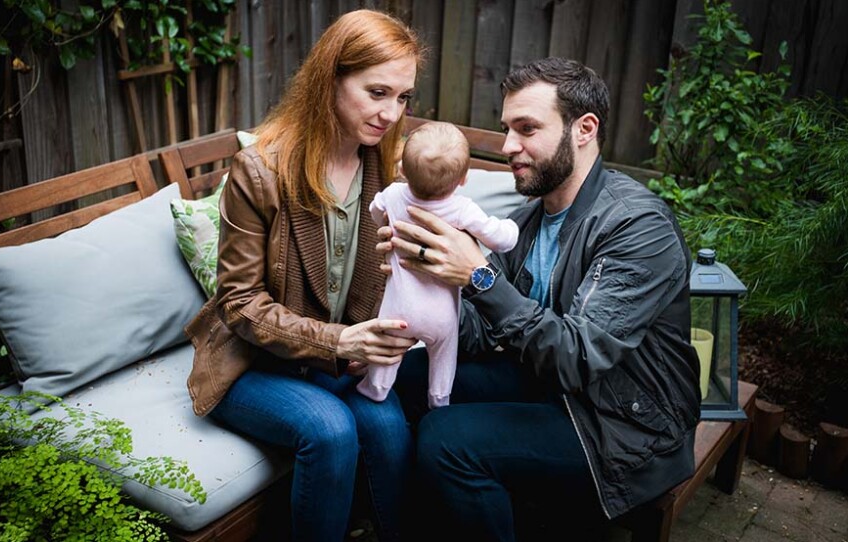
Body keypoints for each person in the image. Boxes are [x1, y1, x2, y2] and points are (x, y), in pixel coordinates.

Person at [384, 57, 702, 541]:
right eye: (508, 129)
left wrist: (478, 277)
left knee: (447, 442)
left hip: (623, 428)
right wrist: (428, 276)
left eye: (527, 129)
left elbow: (576, 356)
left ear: (584, 128)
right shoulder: (531, 220)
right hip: (549, 388)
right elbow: (478, 330)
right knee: (408, 378)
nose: (510, 146)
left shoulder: (637, 226)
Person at [184, 10, 423, 542]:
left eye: (403, 97)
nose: (391, 113)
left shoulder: (384, 164)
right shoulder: (261, 170)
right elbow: (240, 303)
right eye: (377, 91)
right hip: (252, 362)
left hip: (333, 357)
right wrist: (340, 339)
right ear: (331, 78)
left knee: (386, 428)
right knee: (329, 429)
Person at [357, 122, 519, 408]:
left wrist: (387, 224)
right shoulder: (462, 209)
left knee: (386, 353)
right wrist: (511, 228)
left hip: (398, 308)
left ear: (402, 171)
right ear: (464, 180)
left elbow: (374, 210)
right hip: (442, 316)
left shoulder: (393, 194)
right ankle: (439, 400)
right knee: (444, 358)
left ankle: (376, 387)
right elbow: (501, 240)